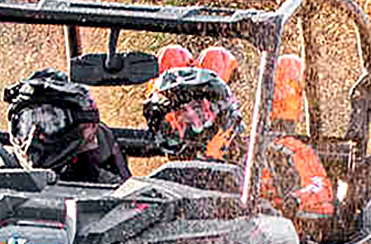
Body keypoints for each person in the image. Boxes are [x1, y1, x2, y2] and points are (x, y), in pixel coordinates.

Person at [142, 65, 333, 228]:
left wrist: (289, 205)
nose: (190, 126)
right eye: (177, 120)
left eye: (199, 113)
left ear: (223, 112)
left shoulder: (277, 151)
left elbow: (320, 192)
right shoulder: (167, 172)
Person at [3, 68, 130, 183]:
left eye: (52, 123)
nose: (35, 135)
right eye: (27, 123)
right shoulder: (0, 178)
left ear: (83, 125)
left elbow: (136, 205)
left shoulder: (110, 185)